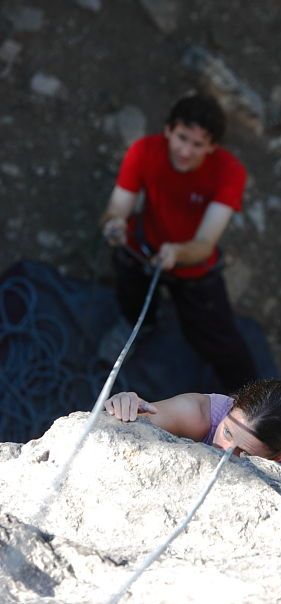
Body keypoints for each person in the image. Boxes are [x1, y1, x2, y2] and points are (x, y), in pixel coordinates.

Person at [100, 92, 258, 392]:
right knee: (132, 295)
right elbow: (117, 208)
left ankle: (246, 393)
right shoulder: (144, 152)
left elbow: (204, 243)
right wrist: (114, 225)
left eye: (197, 144)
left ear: (212, 147)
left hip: (193, 268)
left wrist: (178, 252)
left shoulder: (229, 172)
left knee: (217, 336)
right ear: (168, 130)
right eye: (181, 138)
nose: (185, 151)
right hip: (142, 250)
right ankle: (136, 325)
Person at [104, 379, 281, 473]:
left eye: (244, 453)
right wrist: (126, 405)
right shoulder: (195, 414)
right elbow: (136, 423)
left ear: (277, 458)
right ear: (231, 406)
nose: (224, 453)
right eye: (227, 432)